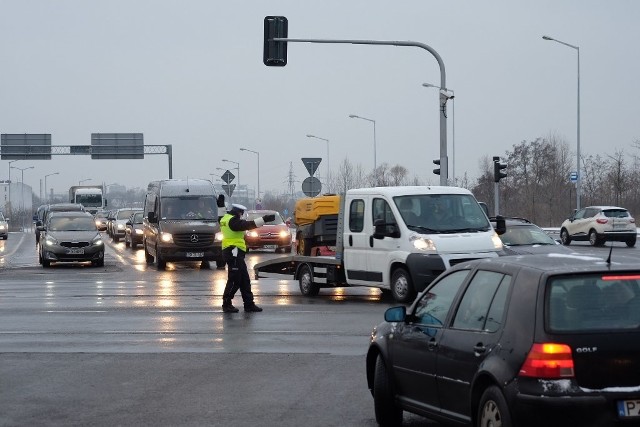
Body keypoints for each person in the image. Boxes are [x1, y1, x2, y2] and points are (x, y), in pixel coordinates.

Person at [220, 203, 276, 313]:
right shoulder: (233, 221)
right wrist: (264, 220)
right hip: (233, 252)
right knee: (235, 279)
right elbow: (248, 225)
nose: (241, 216)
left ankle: (249, 304)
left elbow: (220, 216)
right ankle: (226, 303)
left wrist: (220, 205)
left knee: (244, 279)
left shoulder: (225, 218)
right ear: (238, 212)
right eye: (241, 214)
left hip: (235, 252)